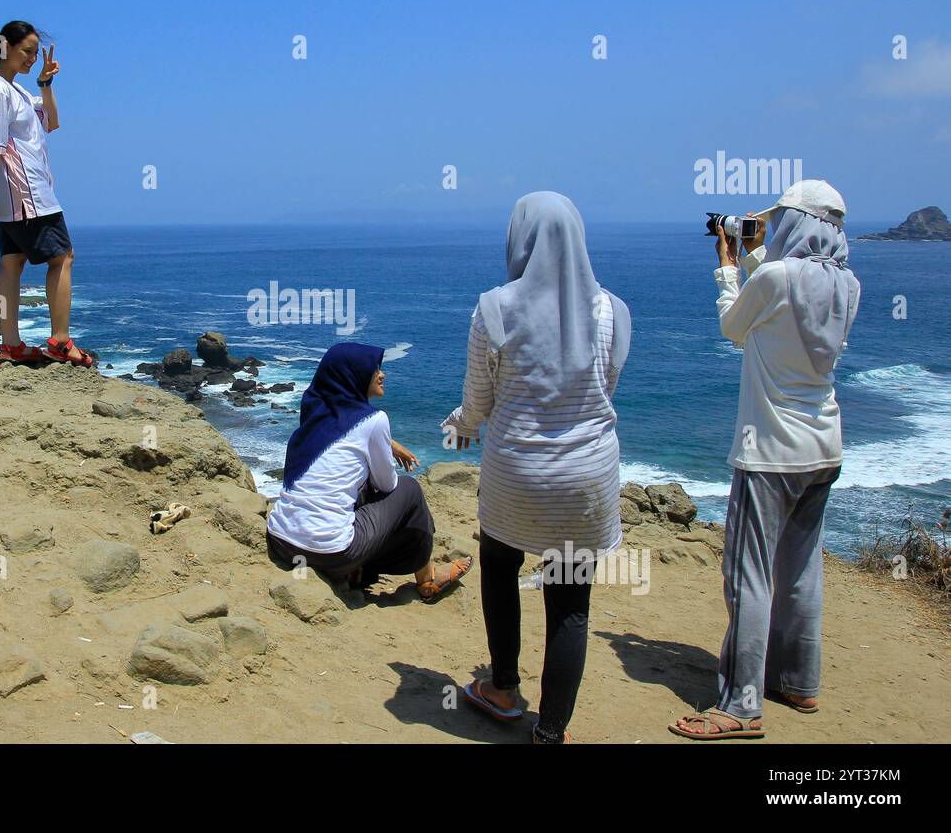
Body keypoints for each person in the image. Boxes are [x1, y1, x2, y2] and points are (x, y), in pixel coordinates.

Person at [670, 179, 861, 740]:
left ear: (797, 224)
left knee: (748, 577)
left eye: (781, 222)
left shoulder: (775, 278)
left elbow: (736, 326)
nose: (773, 229)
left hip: (769, 453)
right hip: (824, 448)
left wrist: (728, 267)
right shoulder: (849, 286)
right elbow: (788, 295)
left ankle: (741, 705)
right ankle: (799, 681)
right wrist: (751, 254)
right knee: (800, 571)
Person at [443, 191, 631, 744]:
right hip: (587, 478)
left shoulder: (495, 307)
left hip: (517, 473)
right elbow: (605, 390)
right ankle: (550, 732)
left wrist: (458, 425)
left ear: (518, 238)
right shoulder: (614, 311)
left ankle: (502, 689)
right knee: (570, 603)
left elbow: (477, 403)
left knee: (500, 566)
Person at [266, 342, 473, 600]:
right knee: (410, 489)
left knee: (355, 488)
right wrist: (383, 448)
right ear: (354, 374)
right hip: (329, 553)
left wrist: (387, 444)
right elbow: (387, 485)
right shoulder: (375, 420)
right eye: (373, 368)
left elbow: (342, 438)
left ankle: (358, 572)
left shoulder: (314, 409)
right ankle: (427, 578)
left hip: (281, 541)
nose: (381, 374)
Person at [0, 20, 92, 366]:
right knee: (63, 257)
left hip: (14, 196)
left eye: (34, 53)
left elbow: (52, 122)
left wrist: (45, 84)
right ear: (5, 48)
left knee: (11, 264)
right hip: (27, 194)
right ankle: (59, 340)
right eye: (26, 51)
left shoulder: (19, 91)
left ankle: (11, 344)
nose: (31, 58)